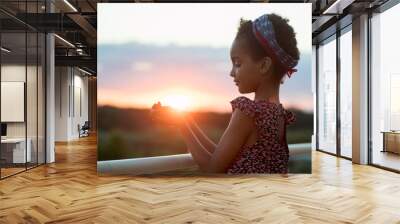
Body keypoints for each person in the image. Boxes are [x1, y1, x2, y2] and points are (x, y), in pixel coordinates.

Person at [151, 13, 299, 174]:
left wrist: (183, 126)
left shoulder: (248, 112)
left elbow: (212, 168)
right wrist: (186, 119)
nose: (231, 72)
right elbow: (223, 156)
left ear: (264, 65)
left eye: (238, 64)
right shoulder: (279, 114)